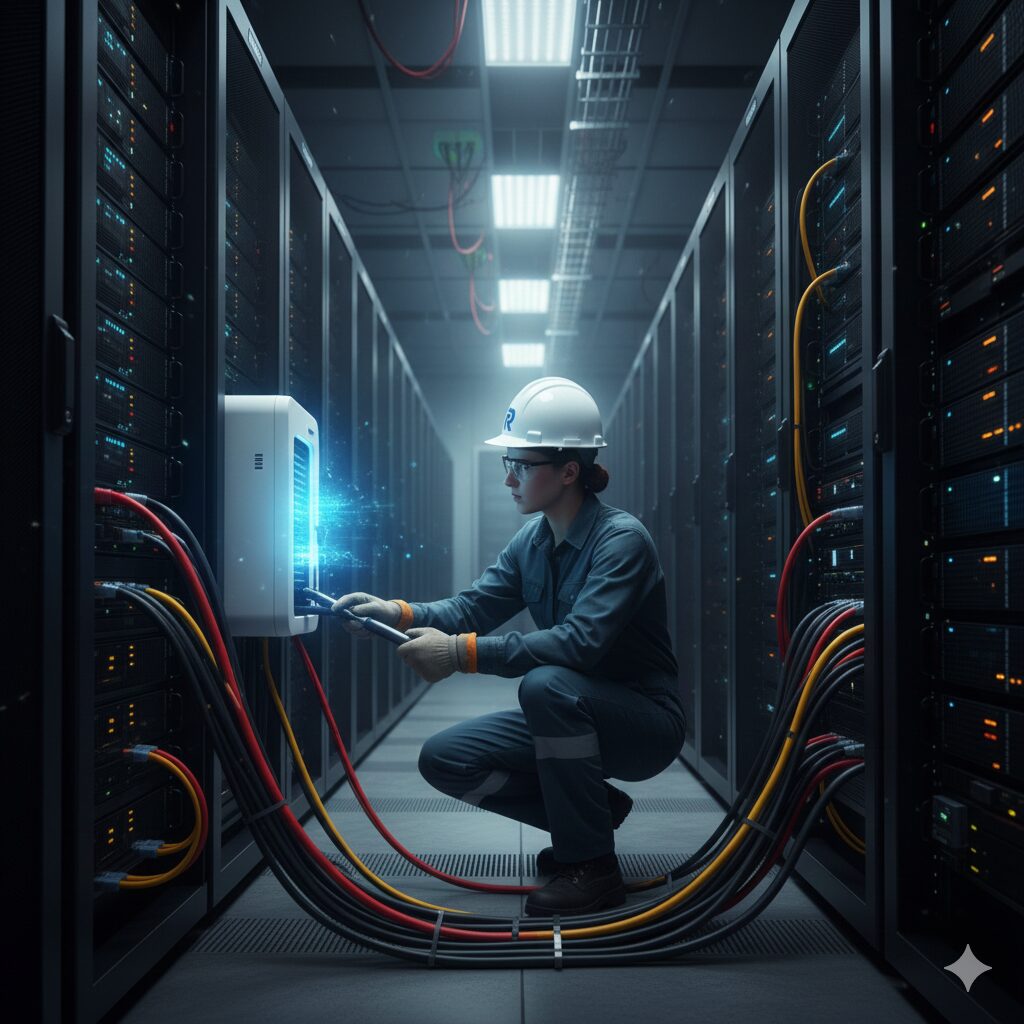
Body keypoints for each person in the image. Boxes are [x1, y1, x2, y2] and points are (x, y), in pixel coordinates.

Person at [332, 376, 686, 916]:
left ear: (569, 471)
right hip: (573, 708)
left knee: (546, 685)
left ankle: (591, 867)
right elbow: (472, 607)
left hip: (642, 722)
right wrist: (396, 611)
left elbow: (580, 643)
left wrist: (460, 655)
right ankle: (588, 818)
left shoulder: (622, 542)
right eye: (508, 465)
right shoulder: (534, 540)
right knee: (447, 759)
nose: (508, 480)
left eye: (520, 465)